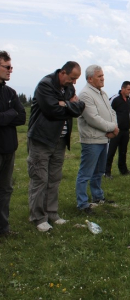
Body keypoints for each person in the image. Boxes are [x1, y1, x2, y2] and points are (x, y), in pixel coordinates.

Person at [27, 61, 85, 232]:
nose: (74, 83)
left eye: (76, 80)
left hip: (59, 141)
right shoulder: (45, 85)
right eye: (72, 78)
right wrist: (70, 105)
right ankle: (38, 217)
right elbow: (52, 111)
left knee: (54, 178)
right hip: (42, 139)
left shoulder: (69, 89)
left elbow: (80, 107)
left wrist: (65, 104)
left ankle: (52, 213)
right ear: (63, 73)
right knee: (40, 179)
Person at [75, 65, 119, 214]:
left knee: (99, 171)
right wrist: (112, 127)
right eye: (99, 76)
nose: (102, 78)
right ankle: (82, 204)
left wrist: (113, 128)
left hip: (103, 138)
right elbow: (93, 119)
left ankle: (97, 197)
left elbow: (111, 111)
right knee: (85, 173)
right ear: (90, 78)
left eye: (103, 75)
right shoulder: (85, 95)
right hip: (92, 139)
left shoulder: (102, 93)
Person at [0, 51, 26, 237]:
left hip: (9, 148)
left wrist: (6, 116)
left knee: (6, 189)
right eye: (7, 67)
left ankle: (3, 228)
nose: (10, 70)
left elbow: (22, 117)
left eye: (11, 67)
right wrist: (11, 114)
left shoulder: (10, 92)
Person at [105, 81, 130, 178]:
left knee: (123, 151)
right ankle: (107, 172)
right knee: (111, 151)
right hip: (115, 130)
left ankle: (123, 170)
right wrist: (110, 127)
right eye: (128, 89)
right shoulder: (115, 99)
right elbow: (107, 111)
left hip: (125, 130)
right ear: (123, 89)